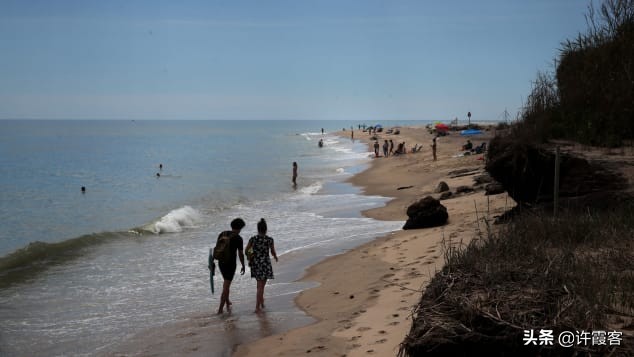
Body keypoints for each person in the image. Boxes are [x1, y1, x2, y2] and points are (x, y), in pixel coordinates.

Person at [245, 218, 278, 313]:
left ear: (258, 229)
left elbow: (246, 250)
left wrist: (251, 256)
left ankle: (261, 302)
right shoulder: (269, 240)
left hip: (255, 264)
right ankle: (257, 307)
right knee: (261, 286)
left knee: (259, 285)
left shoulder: (253, 239)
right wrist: (275, 256)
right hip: (265, 264)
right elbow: (272, 251)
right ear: (266, 229)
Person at [214, 218, 246, 314]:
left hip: (221, 262)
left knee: (226, 283)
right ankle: (220, 309)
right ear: (240, 228)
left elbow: (216, 248)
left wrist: (211, 262)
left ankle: (227, 302)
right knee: (226, 286)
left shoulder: (222, 234)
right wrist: (243, 265)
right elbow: (240, 254)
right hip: (230, 264)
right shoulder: (238, 238)